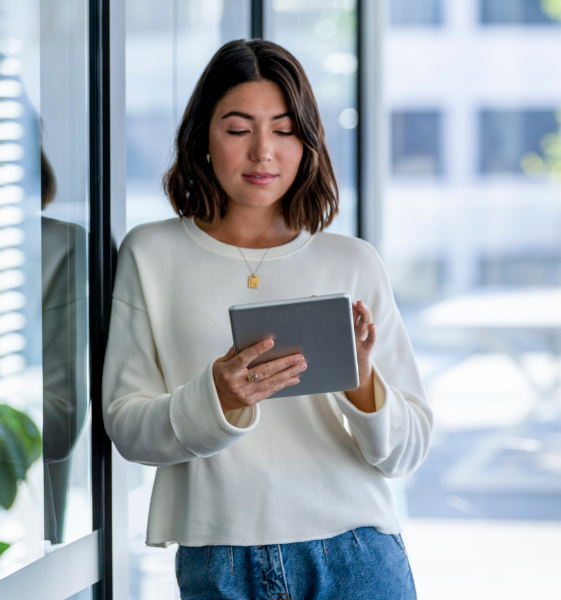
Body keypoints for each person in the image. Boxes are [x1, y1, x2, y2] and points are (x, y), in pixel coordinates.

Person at [102, 39, 432, 599]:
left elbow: (408, 448)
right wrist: (217, 397)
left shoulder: (350, 261)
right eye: (238, 130)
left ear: (308, 142)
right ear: (203, 136)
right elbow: (128, 427)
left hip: (357, 556)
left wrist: (363, 382)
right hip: (219, 562)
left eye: (283, 130)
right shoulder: (151, 254)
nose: (263, 153)